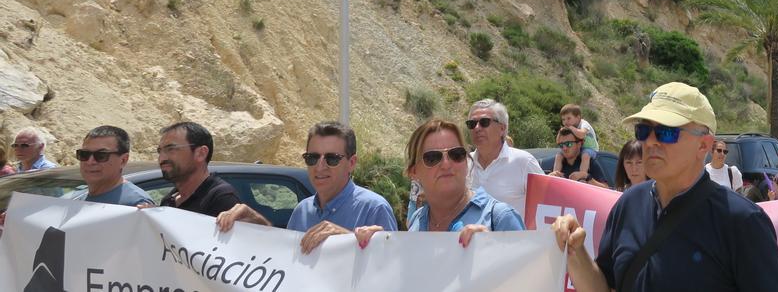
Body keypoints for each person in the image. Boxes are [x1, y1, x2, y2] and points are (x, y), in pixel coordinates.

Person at [551, 82, 778, 291]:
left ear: (703, 145)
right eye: (643, 130)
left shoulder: (742, 221)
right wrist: (575, 251)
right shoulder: (629, 204)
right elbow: (606, 287)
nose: (650, 141)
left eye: (666, 132)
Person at [216, 122, 397, 254]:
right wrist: (255, 223)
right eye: (312, 158)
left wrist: (347, 241)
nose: (320, 166)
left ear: (351, 163)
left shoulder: (374, 208)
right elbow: (285, 258)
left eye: (331, 158)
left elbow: (389, 269)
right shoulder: (301, 210)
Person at [356, 119, 523, 249]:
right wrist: (376, 248)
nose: (446, 164)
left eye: (456, 154)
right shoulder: (416, 220)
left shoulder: (500, 218)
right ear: (414, 172)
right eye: (432, 158)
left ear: (466, 161)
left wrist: (496, 252)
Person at [465, 99, 543, 219]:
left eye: (484, 122)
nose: (477, 128)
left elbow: (546, 206)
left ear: (502, 128)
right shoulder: (463, 165)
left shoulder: (524, 162)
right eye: (472, 124)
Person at [157, 122, 240, 217]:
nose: (161, 158)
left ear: (201, 153)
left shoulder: (221, 198)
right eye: (160, 151)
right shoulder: (169, 200)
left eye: (171, 149)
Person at [71, 126, 153, 206]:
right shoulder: (75, 200)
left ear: (123, 160)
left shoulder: (137, 205)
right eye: (84, 154)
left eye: (101, 155)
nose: (90, 162)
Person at [553, 104, 599, 179]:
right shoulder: (570, 127)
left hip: (591, 148)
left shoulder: (584, 124)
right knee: (559, 156)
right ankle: (556, 174)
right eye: (563, 119)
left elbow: (581, 135)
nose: (565, 122)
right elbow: (558, 141)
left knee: (585, 155)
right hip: (578, 149)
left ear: (578, 118)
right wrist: (560, 132)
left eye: (568, 118)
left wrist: (571, 128)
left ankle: (582, 175)